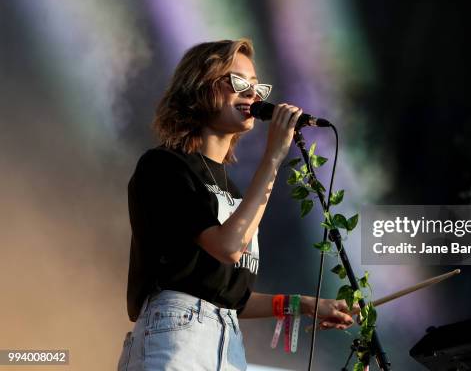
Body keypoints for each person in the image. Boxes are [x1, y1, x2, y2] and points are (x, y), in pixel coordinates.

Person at [117, 39, 356, 370]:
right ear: (201, 86)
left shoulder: (233, 190)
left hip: (225, 340)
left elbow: (232, 297)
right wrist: (273, 156)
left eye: (258, 88)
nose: (254, 96)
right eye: (239, 83)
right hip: (176, 337)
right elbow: (229, 247)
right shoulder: (165, 166)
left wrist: (307, 305)